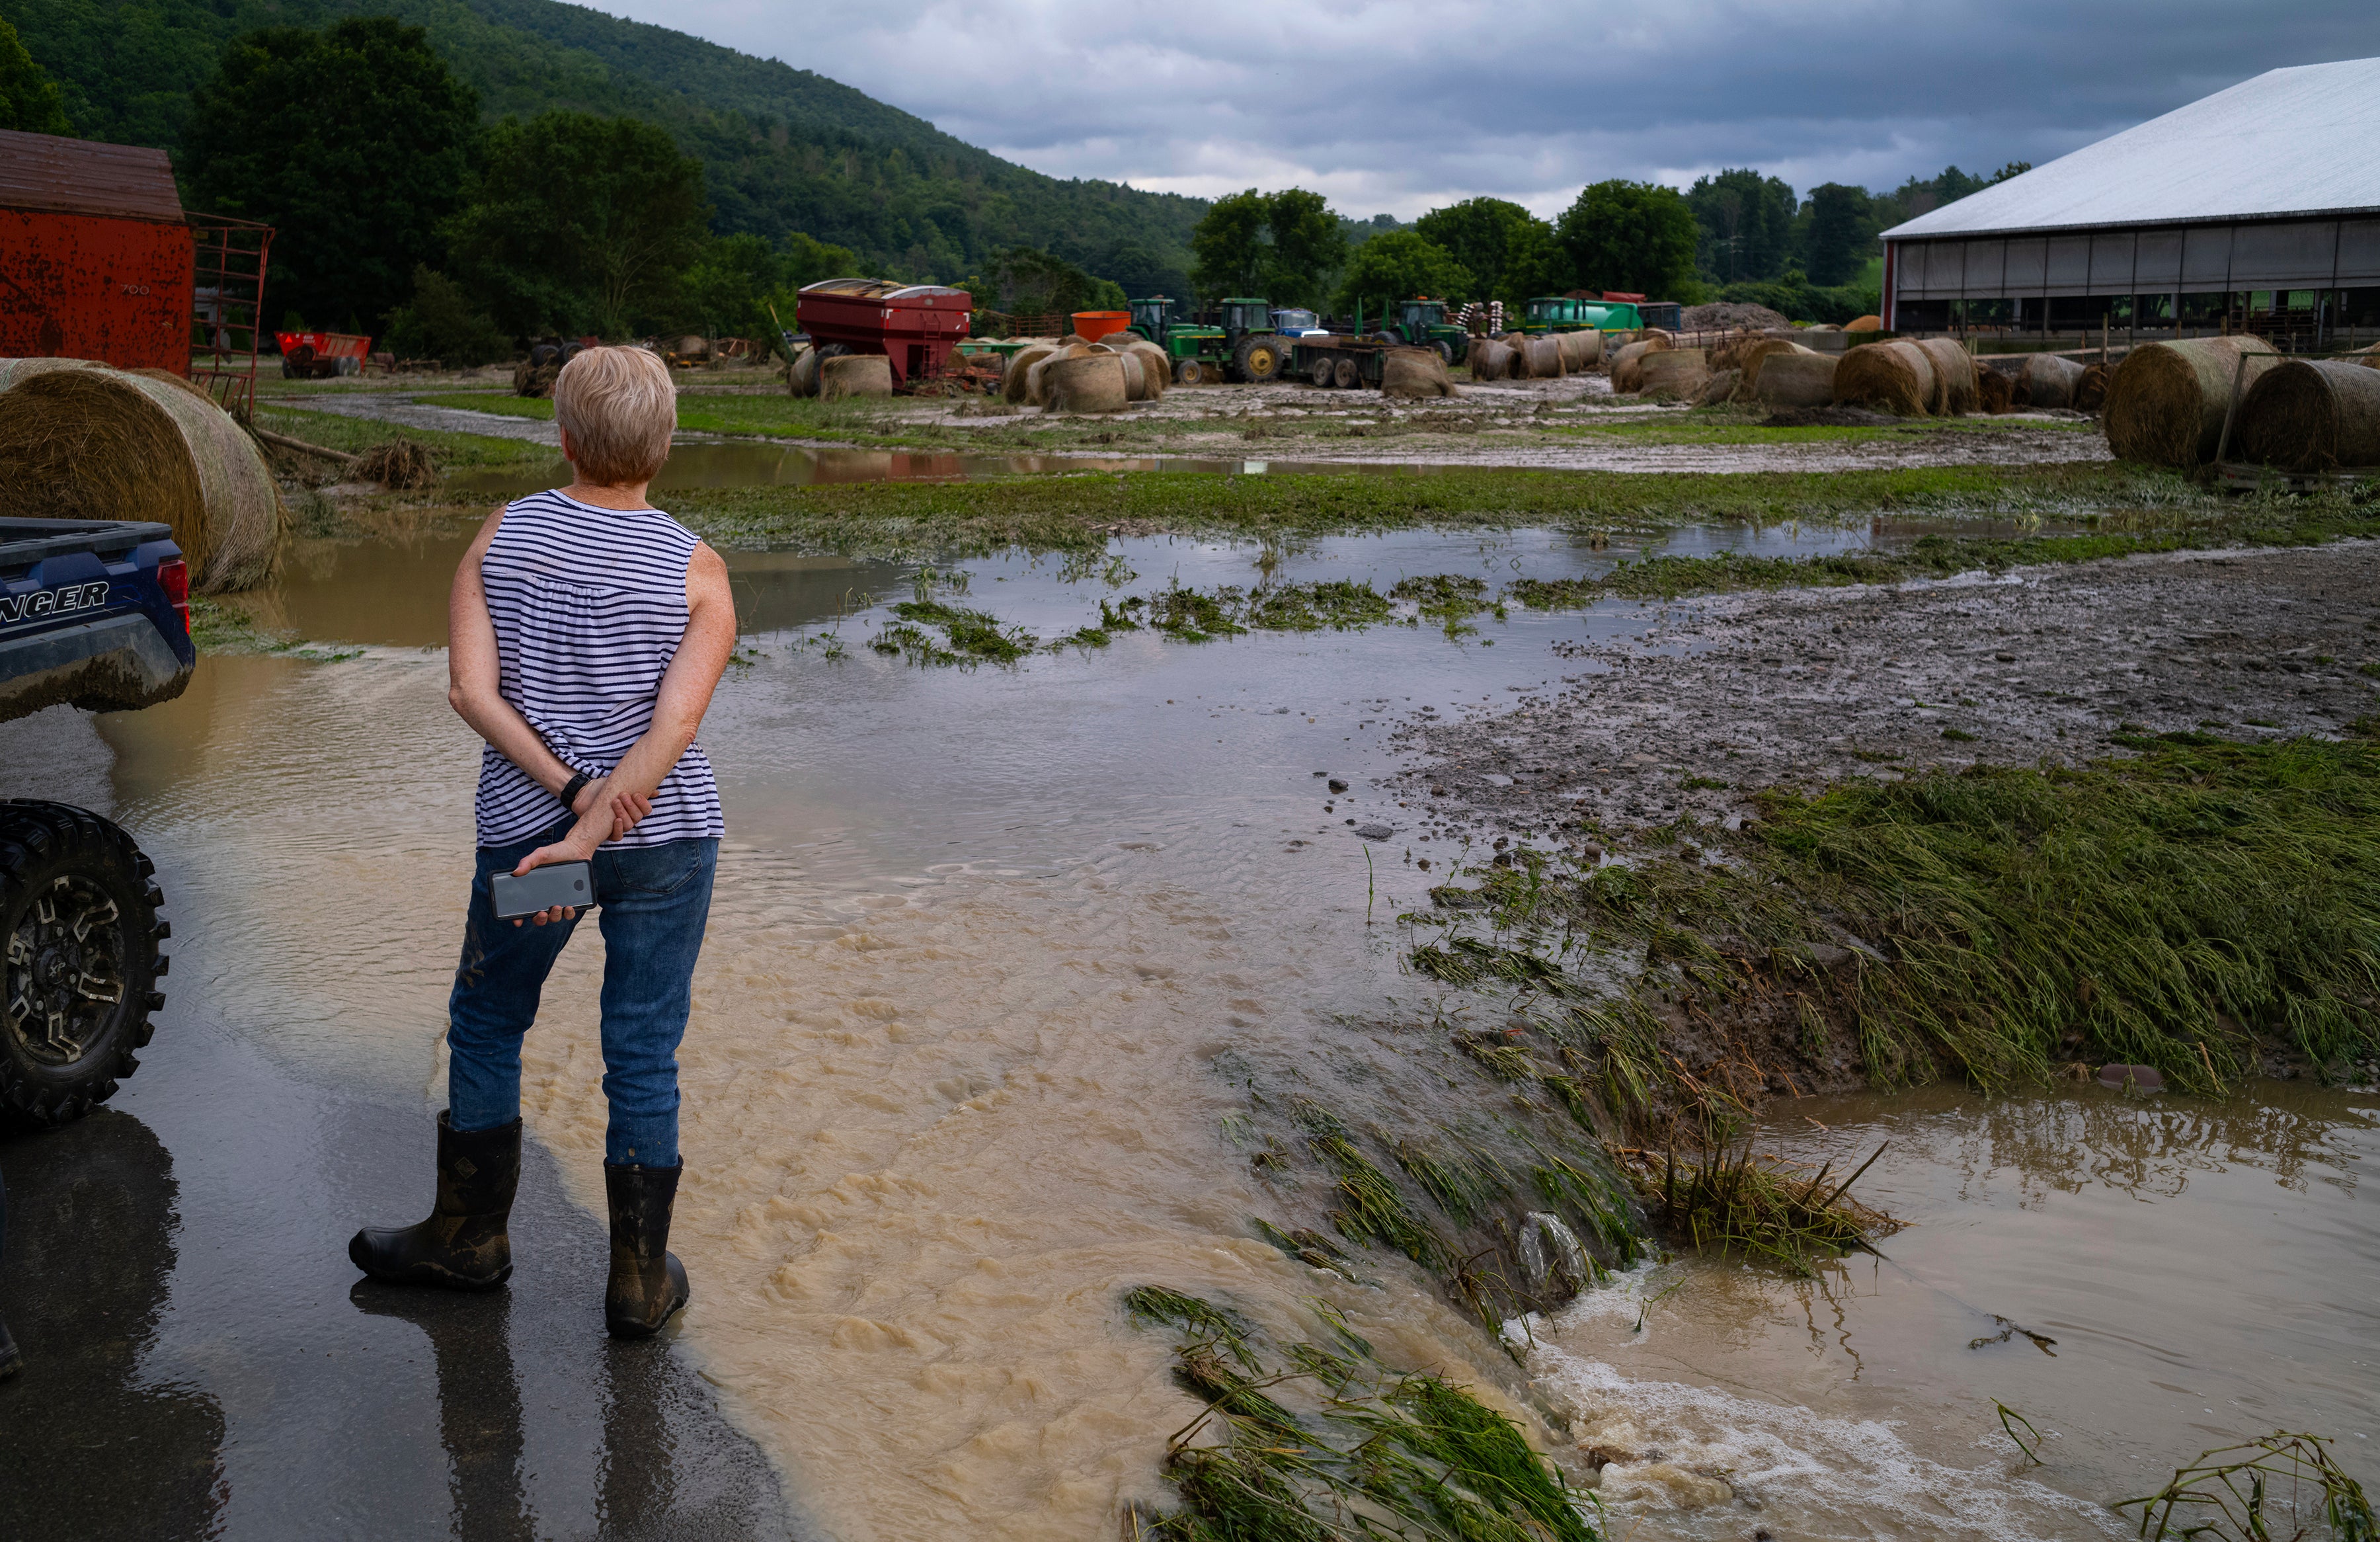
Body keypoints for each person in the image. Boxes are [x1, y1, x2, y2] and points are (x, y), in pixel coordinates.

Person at [349, 346, 734, 1339]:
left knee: (489, 1024)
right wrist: (603, 821)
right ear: (666, 443)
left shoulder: (506, 534)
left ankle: (469, 1242)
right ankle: (640, 1287)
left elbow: (471, 694)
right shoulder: (698, 568)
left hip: (532, 847)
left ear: (562, 437)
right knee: (642, 1051)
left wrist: (569, 812)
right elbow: (674, 731)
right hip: (665, 843)